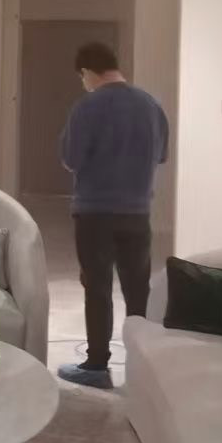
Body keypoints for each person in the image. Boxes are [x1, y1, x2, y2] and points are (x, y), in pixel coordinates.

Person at [58, 41, 168, 389]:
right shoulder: (151, 105)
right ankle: (141, 366)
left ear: (86, 72)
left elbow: (71, 158)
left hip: (95, 212)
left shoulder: (88, 106)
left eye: (82, 78)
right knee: (137, 289)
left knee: (98, 288)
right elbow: (161, 155)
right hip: (138, 212)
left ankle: (96, 366)